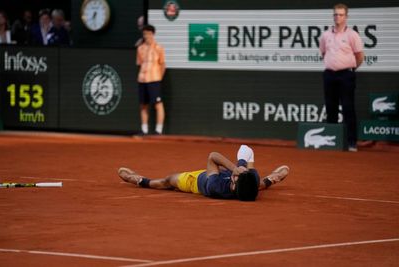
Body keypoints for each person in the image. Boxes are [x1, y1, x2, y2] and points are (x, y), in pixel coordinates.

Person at [118, 145, 290, 201]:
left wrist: (234, 168)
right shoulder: (250, 180)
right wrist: (242, 165)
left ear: (234, 183)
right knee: (259, 186)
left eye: (237, 176)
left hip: (199, 181)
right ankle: (272, 179)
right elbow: (246, 149)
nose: (238, 173)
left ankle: (140, 180)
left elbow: (212, 157)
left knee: (168, 181)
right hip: (243, 183)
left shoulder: (215, 186)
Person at [319, 3, 364, 152]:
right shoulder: (326, 35)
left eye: (340, 14)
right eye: (335, 14)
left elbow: (359, 56)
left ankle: (351, 142)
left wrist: (349, 68)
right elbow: (323, 53)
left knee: (348, 108)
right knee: (331, 107)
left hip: (346, 75)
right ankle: (332, 141)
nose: (337, 17)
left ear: (346, 17)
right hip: (329, 75)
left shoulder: (352, 35)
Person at [136, 24, 166, 135]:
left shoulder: (159, 48)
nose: (146, 36)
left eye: (148, 33)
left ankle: (159, 130)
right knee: (143, 105)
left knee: (158, 105)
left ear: (153, 34)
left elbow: (163, 65)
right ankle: (144, 130)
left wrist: (159, 78)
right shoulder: (140, 48)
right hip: (142, 80)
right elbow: (140, 64)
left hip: (155, 80)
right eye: (144, 34)